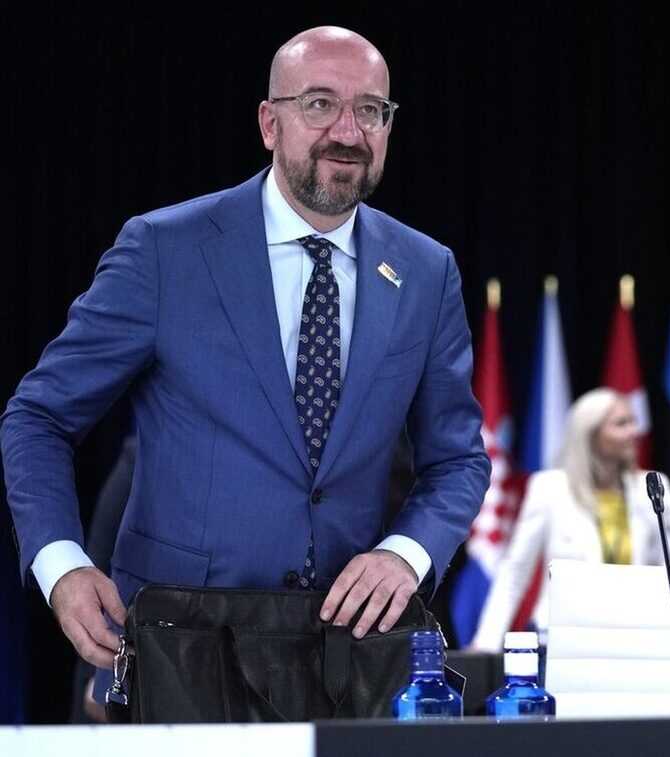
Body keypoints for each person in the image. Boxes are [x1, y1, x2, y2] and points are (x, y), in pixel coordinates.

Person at [1, 26, 490, 705]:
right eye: (319, 103)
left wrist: (406, 554)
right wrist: (61, 565)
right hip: (180, 648)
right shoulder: (165, 250)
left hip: (344, 655)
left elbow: (458, 459)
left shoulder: (426, 271)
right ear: (269, 122)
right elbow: (39, 416)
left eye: (371, 110)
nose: (347, 131)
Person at [471, 388, 670, 650]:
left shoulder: (647, 488)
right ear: (590, 434)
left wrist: (657, 579)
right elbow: (515, 571)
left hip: (631, 635)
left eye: (633, 422)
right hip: (561, 636)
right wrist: (486, 643)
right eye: (621, 424)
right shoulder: (550, 489)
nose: (635, 431)